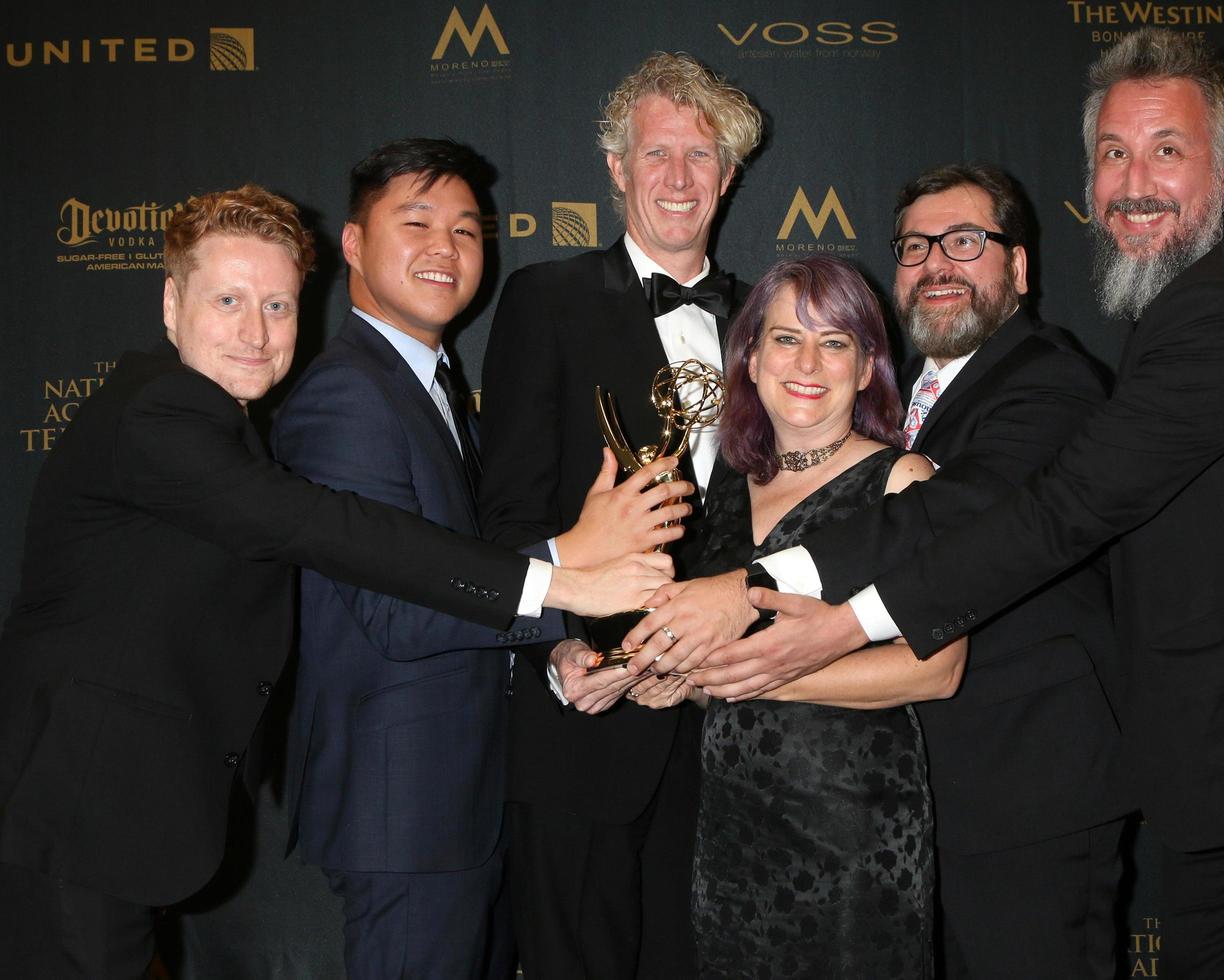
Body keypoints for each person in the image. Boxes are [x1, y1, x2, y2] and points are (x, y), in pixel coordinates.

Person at [636, 28, 1224, 980]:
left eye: (1166, 151)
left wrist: (821, 615)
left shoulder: (1215, 313)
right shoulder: (1173, 302)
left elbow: (1051, 513)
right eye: (1113, 155)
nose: (1133, 182)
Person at [0, 183, 670, 979]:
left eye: (279, 307)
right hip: (76, 815)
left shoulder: (225, 429)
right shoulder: (158, 412)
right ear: (172, 303)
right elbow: (329, 527)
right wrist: (560, 573)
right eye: (229, 300)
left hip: (127, 816)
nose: (256, 332)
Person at [269, 139, 688, 979]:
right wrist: (574, 553)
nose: (446, 249)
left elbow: (470, 578)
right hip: (407, 812)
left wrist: (561, 647)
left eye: (466, 231)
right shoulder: (344, 395)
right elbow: (396, 606)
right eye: (416, 223)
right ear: (352, 245)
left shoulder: (436, 386)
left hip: (468, 805)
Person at [476, 52, 762, 978]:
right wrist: (556, 646)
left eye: (700, 155)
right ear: (615, 168)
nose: (678, 178)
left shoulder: (772, 318)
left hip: (728, 731)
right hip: (585, 725)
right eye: (656, 154)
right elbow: (507, 514)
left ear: (728, 174)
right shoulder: (545, 301)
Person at [611, 255, 963, 978]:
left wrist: (759, 676)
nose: (808, 362)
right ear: (750, 356)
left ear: (867, 368)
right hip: (733, 836)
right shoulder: (731, 487)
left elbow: (941, 668)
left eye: (835, 342)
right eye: (785, 339)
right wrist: (680, 681)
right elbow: (718, 675)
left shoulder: (903, 480)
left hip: (853, 833)